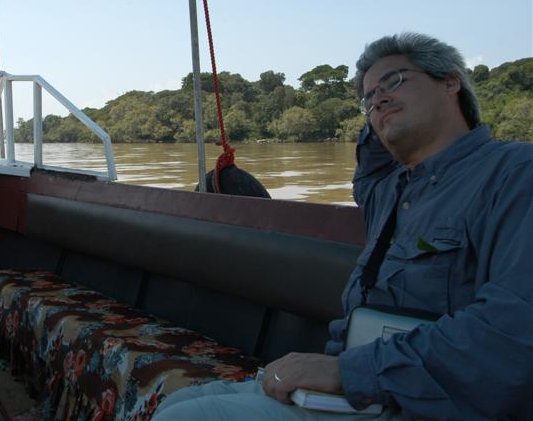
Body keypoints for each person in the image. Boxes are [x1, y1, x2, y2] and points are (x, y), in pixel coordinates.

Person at [153, 32, 533, 420]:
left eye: (395, 81)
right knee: (177, 403)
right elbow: (371, 161)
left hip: (433, 401)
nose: (379, 99)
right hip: (366, 387)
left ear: (450, 81)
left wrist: (347, 371)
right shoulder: (389, 191)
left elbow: (515, 333)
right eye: (368, 98)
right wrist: (382, 106)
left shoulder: (516, 173)